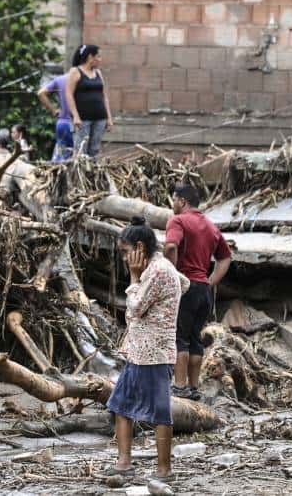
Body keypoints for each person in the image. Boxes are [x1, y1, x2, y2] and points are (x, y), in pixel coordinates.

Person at [106, 217, 189, 482]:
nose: (124, 257)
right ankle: (124, 463)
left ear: (139, 247)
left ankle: (164, 471)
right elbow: (184, 283)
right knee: (120, 405)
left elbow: (135, 307)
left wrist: (133, 278)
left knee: (159, 412)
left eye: (125, 251)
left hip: (153, 353)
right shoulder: (160, 267)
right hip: (139, 351)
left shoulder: (156, 271)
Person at [165, 183, 232, 402]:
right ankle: (194, 388)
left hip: (186, 286)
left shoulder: (178, 220)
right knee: (195, 338)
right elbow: (225, 257)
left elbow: (170, 246)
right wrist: (210, 281)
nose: (173, 204)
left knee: (180, 338)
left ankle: (179, 386)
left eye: (174, 200)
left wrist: (173, 273)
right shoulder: (211, 226)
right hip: (203, 289)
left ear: (182, 201)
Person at [65, 44, 114, 158]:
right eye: (98, 56)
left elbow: (104, 96)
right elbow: (69, 94)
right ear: (90, 57)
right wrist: (75, 116)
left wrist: (109, 118)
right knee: (81, 150)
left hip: (99, 117)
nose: (100, 60)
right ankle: (79, 175)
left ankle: (93, 174)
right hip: (82, 119)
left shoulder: (98, 73)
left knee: (95, 149)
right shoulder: (75, 71)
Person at [37, 73, 75, 162]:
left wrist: (53, 110)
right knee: (75, 158)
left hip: (62, 123)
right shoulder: (81, 79)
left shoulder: (60, 79)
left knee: (60, 156)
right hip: (75, 124)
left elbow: (40, 93)